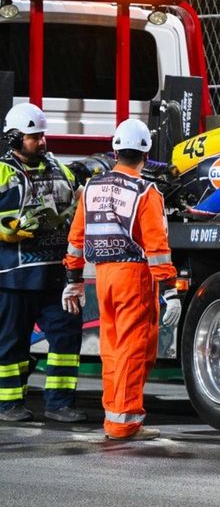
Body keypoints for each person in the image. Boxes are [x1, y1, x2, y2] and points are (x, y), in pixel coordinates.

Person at [62, 118, 181, 441]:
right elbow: (157, 247)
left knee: (113, 348)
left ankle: (114, 414)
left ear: (115, 151)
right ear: (146, 153)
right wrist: (170, 290)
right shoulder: (145, 192)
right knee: (134, 349)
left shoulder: (91, 189)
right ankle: (124, 422)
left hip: (103, 277)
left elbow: (76, 238)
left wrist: (73, 278)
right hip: (134, 277)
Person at [0, 103, 85, 424]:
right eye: (34, 137)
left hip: (55, 278)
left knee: (66, 338)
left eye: (42, 135)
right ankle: (8, 404)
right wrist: (6, 229)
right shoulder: (2, 171)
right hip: (13, 279)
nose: (42, 141)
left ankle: (59, 404)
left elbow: (78, 202)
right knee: (11, 345)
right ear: (14, 138)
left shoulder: (60, 169)